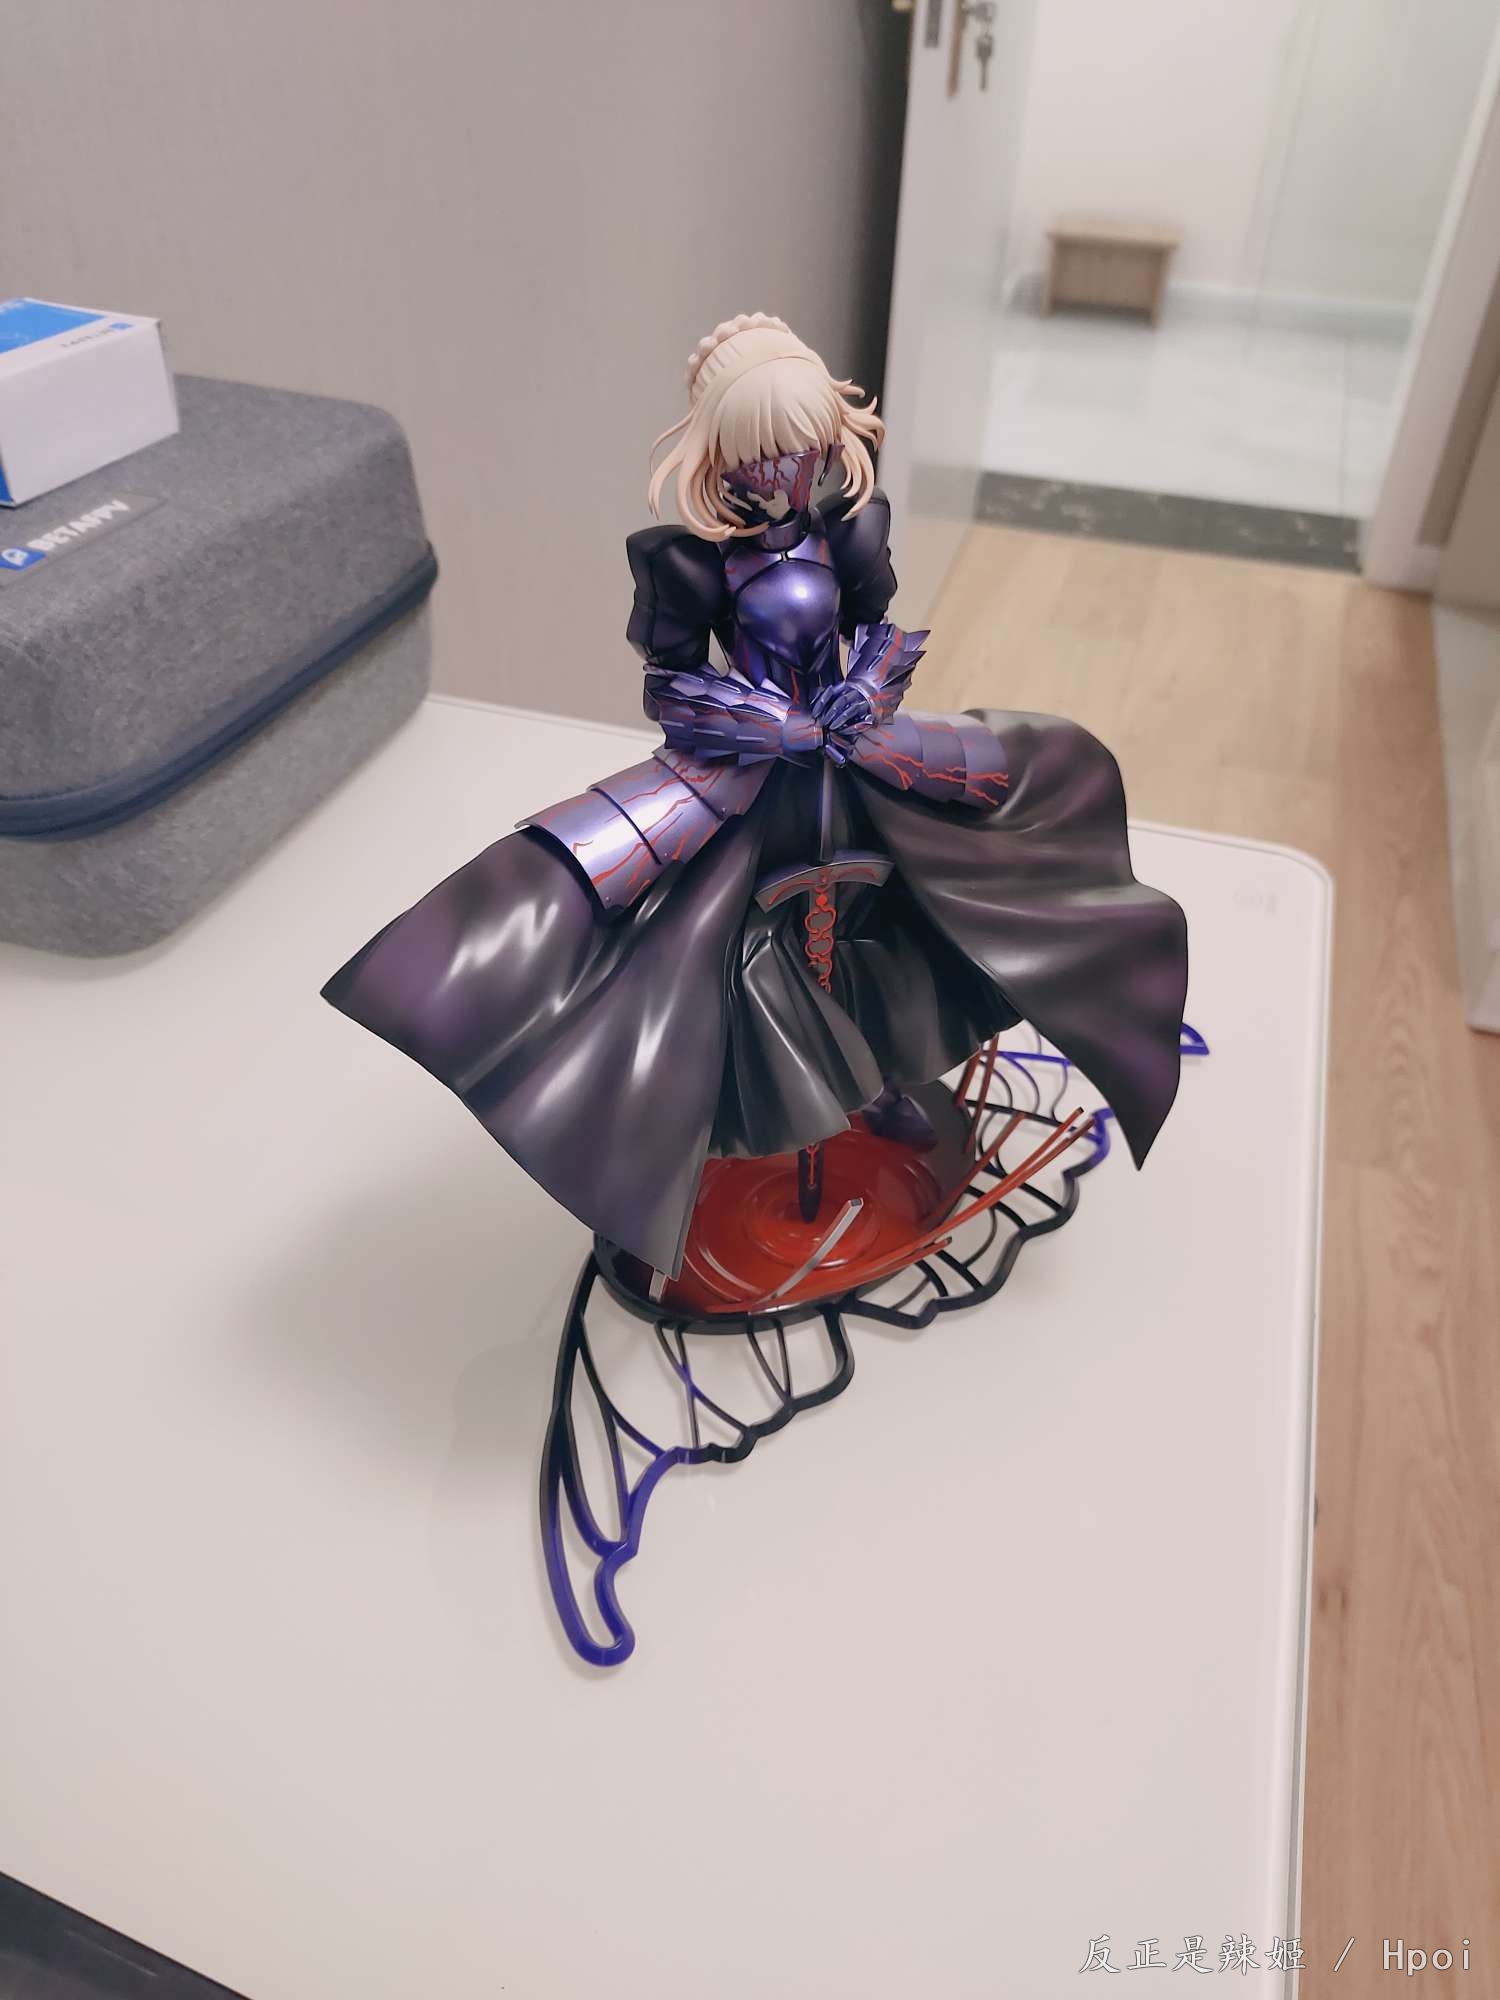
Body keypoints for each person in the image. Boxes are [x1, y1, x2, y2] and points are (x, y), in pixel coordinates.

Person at [323, 314, 1188, 1279]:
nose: (784, 470)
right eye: (761, 452)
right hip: (751, 777)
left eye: (800, 446)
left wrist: (866, 689)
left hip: (855, 760)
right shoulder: (687, 561)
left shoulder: (850, 530)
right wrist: (762, 722)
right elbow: (670, 682)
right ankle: (710, 1129)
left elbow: (879, 631)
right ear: (720, 454)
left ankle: (876, 1087)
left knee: (893, 907)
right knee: (720, 940)